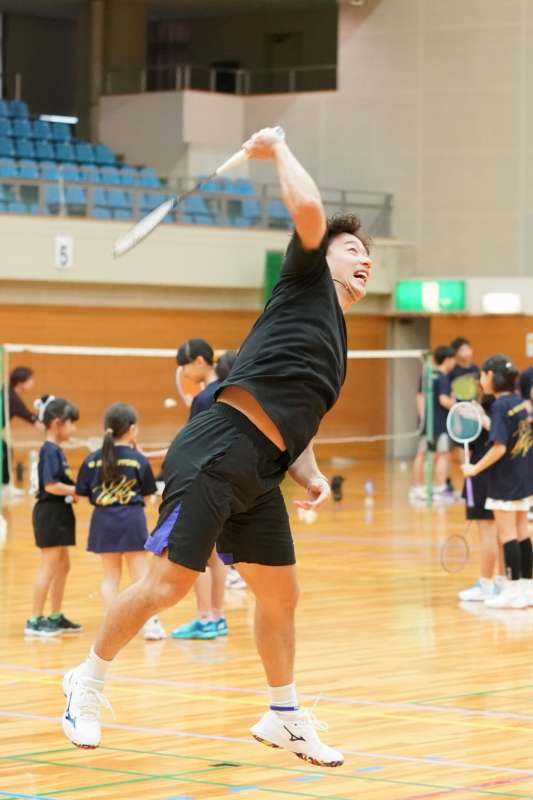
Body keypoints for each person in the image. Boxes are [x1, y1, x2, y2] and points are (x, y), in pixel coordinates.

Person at [61, 126, 372, 768]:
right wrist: (278, 150)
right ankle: (85, 681)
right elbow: (310, 210)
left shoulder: (336, 340)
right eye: (351, 249)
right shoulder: (304, 283)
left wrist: (309, 474)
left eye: (369, 254)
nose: (364, 258)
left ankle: (283, 716)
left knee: (281, 593)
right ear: (323, 256)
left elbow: (294, 420)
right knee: (168, 585)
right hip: (216, 448)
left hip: (263, 468)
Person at [75, 403, 165, 641]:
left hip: (103, 521)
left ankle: (113, 625)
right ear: (132, 429)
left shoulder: (92, 460)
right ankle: (151, 625)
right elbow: (149, 495)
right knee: (142, 578)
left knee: (110, 577)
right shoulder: (138, 460)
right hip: (132, 520)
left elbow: (82, 493)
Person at [170, 349, 238, 640]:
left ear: (199, 361)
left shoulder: (204, 398)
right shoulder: (239, 394)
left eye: (185, 365)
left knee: (199, 553)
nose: (184, 372)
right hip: (231, 481)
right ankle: (218, 617)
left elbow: (192, 444)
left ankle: (205, 618)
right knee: (218, 553)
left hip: (202, 481)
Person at [462, 355, 533, 609]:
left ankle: (512, 591)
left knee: (508, 535)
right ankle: (527, 588)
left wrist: (474, 468)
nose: (481, 379)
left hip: (505, 480)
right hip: (523, 476)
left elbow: (499, 447)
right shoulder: (519, 403)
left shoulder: (501, 406)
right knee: (523, 534)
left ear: (491, 376)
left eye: (483, 375)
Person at [25, 396, 82, 637]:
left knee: (63, 566)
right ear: (57, 423)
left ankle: (55, 616)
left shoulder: (56, 450)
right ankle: (35, 620)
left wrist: (72, 491)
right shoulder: (49, 450)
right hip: (50, 514)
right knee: (48, 567)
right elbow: (50, 485)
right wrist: (76, 490)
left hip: (60, 512)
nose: (74, 428)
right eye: (71, 423)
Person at [457, 392, 504, 602]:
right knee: (503, 534)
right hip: (502, 478)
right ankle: (503, 582)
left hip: (482, 478)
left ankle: (486, 584)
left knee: (488, 534)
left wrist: (479, 418)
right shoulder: (512, 408)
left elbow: (498, 440)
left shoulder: (490, 412)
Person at [410, 346, 455, 500]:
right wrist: (459, 407)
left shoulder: (428, 375)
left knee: (422, 454)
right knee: (443, 454)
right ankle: (440, 488)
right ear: (448, 360)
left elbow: (420, 396)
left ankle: (417, 488)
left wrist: (423, 418)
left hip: (427, 422)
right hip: (440, 422)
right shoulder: (443, 377)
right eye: (453, 359)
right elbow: (444, 400)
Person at [2, 366, 43, 488]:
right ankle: (5, 485)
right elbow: (30, 418)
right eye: (30, 379)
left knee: (5, 449)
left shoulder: (8, 392)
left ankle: (5, 484)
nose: (33, 382)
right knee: (5, 451)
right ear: (20, 382)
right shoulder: (11, 397)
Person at [449, 337, 479, 401]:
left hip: (473, 403)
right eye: (462, 350)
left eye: (468, 349)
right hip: (458, 403)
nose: (467, 353)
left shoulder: (476, 368)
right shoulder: (452, 370)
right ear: (455, 353)